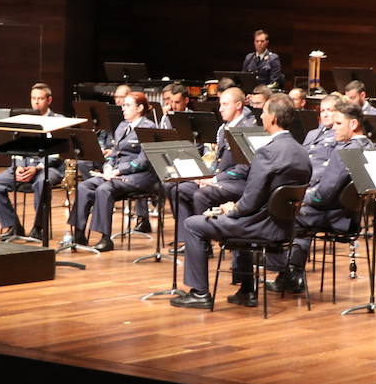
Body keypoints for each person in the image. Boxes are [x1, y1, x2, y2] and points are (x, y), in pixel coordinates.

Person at [171, 94, 312, 309]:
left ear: (273, 118)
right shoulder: (302, 152)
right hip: (285, 227)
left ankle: (200, 293)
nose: (261, 116)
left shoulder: (267, 152)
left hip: (260, 227)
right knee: (238, 218)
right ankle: (246, 290)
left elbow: (249, 202)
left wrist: (231, 209)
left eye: (264, 112)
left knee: (193, 224)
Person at [266, 100, 374, 294]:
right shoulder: (370, 146)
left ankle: (285, 271)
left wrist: (301, 196)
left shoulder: (346, 151)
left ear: (353, 125)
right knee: (293, 212)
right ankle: (290, 274)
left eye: (339, 124)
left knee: (281, 212)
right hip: (350, 215)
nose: (334, 129)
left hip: (333, 216)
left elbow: (322, 197)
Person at [67, 91, 157, 251]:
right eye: (123, 105)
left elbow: (143, 161)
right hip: (117, 174)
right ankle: (79, 233)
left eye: (127, 105)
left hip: (140, 177)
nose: (123, 108)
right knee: (84, 186)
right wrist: (108, 167)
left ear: (140, 108)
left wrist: (118, 171)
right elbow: (114, 153)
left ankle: (105, 238)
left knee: (104, 189)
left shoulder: (149, 128)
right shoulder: (122, 126)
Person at [168, 87, 259, 244]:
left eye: (225, 104)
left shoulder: (248, 128)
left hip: (238, 183)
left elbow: (244, 168)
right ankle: (186, 240)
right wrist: (204, 175)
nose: (220, 109)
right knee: (178, 190)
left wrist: (215, 179)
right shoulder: (224, 128)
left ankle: (202, 243)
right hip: (219, 179)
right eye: (220, 104)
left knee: (201, 195)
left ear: (238, 105)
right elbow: (217, 160)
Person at [0, 83, 64, 241]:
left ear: (49, 100)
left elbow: (59, 151)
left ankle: (38, 228)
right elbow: (16, 146)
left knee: (42, 183)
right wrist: (19, 166)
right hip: (24, 166)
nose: (36, 102)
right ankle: (14, 226)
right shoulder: (25, 119)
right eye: (33, 98)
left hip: (48, 168)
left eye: (40, 98)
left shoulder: (59, 120)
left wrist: (38, 167)